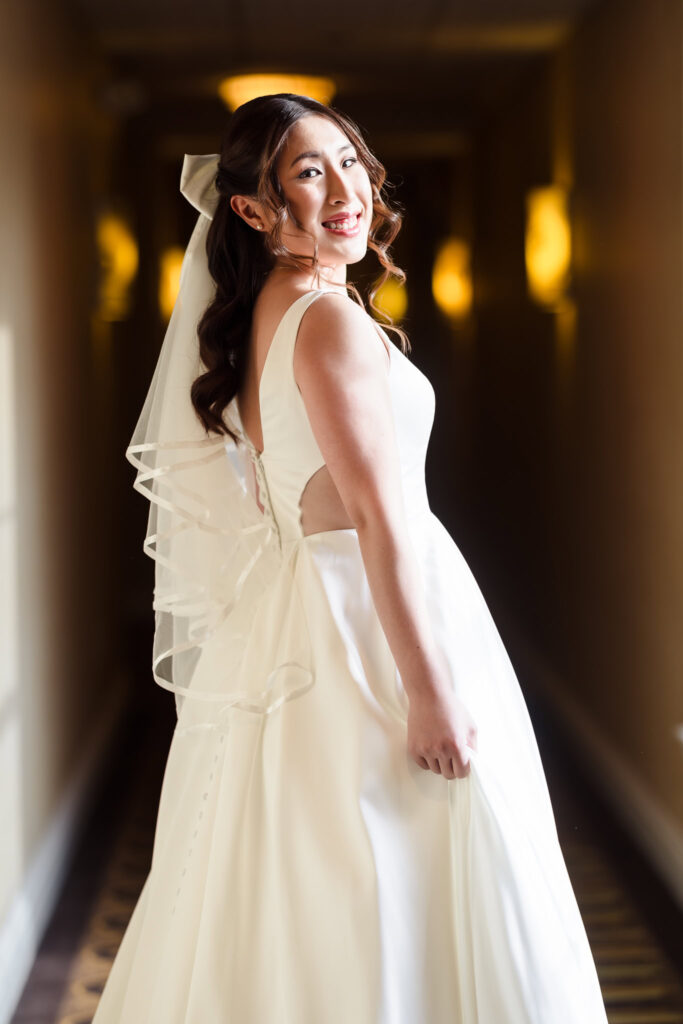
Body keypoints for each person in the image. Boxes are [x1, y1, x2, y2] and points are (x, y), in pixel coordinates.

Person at [93, 93, 609, 1023]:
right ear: (252, 210)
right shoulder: (323, 319)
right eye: (306, 170)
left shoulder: (274, 312)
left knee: (319, 884)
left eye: (347, 160)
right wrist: (430, 690)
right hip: (365, 622)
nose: (344, 189)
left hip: (311, 605)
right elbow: (377, 512)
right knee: (400, 878)